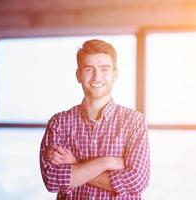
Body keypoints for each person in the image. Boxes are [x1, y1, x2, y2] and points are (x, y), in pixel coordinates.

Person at [39, 39, 150, 199]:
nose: (97, 77)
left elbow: (136, 181)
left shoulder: (134, 122)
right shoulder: (59, 123)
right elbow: (52, 180)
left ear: (115, 74)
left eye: (104, 69)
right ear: (78, 75)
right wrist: (108, 162)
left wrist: (76, 164)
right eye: (89, 69)